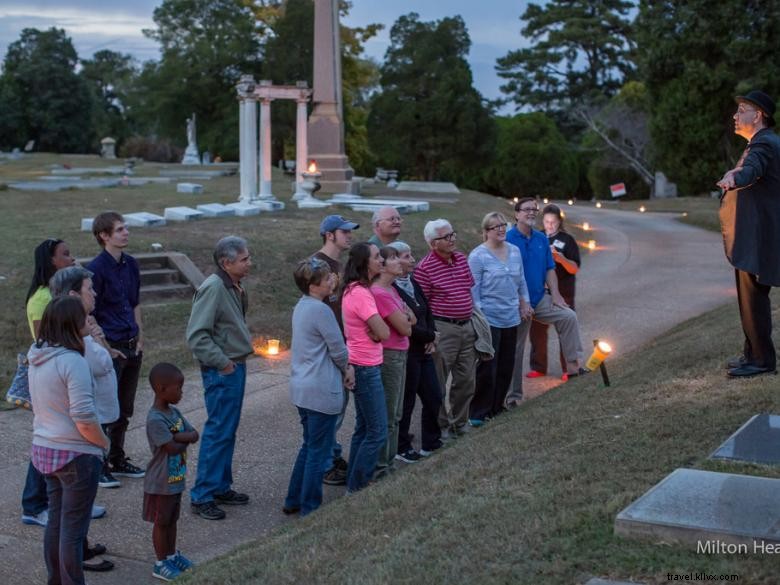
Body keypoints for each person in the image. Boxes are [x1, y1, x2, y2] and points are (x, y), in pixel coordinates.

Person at [28, 296, 110, 585]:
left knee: (57, 523)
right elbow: (84, 417)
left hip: (45, 449)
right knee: (73, 531)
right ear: (71, 323)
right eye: (83, 316)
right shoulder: (72, 361)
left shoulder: (37, 355)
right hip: (76, 454)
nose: (88, 319)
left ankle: (56, 580)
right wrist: (102, 443)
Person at [51, 266, 120, 572]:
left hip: (59, 438)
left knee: (64, 516)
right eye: (89, 289)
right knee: (72, 518)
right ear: (73, 296)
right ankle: (77, 558)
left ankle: (67, 564)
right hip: (77, 439)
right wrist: (101, 442)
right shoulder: (75, 345)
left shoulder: (61, 338)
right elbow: (101, 365)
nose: (95, 293)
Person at [187, 236, 254, 520]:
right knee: (217, 431)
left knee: (227, 430)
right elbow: (197, 336)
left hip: (235, 366)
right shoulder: (213, 288)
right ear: (226, 263)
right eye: (244, 259)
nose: (249, 263)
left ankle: (220, 486)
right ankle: (202, 495)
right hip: (223, 370)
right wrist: (223, 363)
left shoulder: (233, 285)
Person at [717, 90, 780, 378]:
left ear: (758, 116)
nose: (735, 115)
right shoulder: (760, 143)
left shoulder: (764, 144)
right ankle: (753, 353)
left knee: (753, 296)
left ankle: (762, 360)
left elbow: (752, 170)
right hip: (756, 235)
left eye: (742, 110)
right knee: (749, 295)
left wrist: (734, 176)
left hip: (759, 236)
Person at [285, 259, 354, 516]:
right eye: (327, 279)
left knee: (308, 446)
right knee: (318, 451)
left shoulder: (301, 306)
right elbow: (338, 349)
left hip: (302, 388)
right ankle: (309, 506)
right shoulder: (321, 310)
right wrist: (348, 369)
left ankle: (293, 499)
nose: (332, 281)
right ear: (314, 285)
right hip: (320, 388)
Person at [506, 198, 584, 407]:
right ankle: (512, 397)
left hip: (540, 299)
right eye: (526, 210)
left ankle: (574, 368)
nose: (531, 213)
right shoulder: (508, 239)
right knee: (516, 348)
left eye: (534, 209)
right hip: (516, 303)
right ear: (516, 214)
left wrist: (556, 295)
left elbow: (550, 268)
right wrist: (520, 302)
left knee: (568, 316)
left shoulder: (541, 239)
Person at [87, 211, 146, 485]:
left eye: (125, 228)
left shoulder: (131, 264)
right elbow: (90, 313)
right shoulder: (96, 269)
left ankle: (117, 458)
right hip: (110, 346)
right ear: (104, 235)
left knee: (125, 407)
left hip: (132, 344)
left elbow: (135, 303)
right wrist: (105, 347)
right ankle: (97, 464)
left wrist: (141, 337)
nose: (126, 233)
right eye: (120, 229)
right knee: (105, 407)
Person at [21, 239, 76, 528]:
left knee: (67, 441)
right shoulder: (42, 298)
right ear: (51, 261)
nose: (72, 257)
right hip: (50, 377)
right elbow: (47, 340)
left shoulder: (57, 293)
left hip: (62, 372)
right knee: (49, 439)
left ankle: (71, 499)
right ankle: (34, 504)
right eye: (65, 254)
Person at [413, 219, 477, 437]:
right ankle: (442, 427)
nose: (452, 240)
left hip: (466, 326)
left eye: (452, 234)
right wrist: (431, 335)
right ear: (433, 243)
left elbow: (467, 290)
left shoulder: (461, 259)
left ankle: (461, 422)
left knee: (466, 379)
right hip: (443, 329)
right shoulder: (424, 269)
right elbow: (421, 307)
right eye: (446, 237)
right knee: (438, 382)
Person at [468, 212, 531, 425]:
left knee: (506, 364)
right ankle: (478, 412)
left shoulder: (514, 251)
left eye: (503, 225)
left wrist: (525, 303)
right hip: (489, 319)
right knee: (487, 366)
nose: (501, 229)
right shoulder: (478, 256)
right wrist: (480, 319)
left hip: (511, 316)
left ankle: (497, 407)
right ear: (486, 232)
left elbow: (521, 281)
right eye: (496, 227)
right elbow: (474, 292)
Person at [311, 214, 359, 486]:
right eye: (345, 232)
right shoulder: (317, 265)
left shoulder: (338, 264)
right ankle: (325, 464)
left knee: (339, 406)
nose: (349, 236)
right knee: (332, 407)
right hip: (328, 347)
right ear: (330, 234)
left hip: (342, 342)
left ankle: (332, 453)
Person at [388, 241, 443, 461]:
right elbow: (406, 325)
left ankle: (431, 442)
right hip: (408, 351)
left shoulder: (413, 281)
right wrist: (431, 336)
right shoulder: (392, 289)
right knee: (407, 401)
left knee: (434, 396)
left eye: (411, 255)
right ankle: (402, 447)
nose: (412, 260)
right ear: (393, 260)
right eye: (406, 256)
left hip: (424, 350)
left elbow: (427, 310)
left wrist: (433, 334)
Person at [143, 363, 199, 581]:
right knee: (161, 522)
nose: (182, 393)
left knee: (172, 520)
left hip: (175, 479)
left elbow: (194, 433)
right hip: (160, 482)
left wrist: (177, 436)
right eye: (179, 388)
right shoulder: (155, 419)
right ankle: (161, 563)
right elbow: (173, 447)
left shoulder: (174, 413)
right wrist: (182, 438)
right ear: (161, 388)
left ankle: (171, 555)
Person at [342, 243, 390, 492]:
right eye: (376, 257)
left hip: (361, 364)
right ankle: (358, 487)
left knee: (363, 428)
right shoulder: (360, 293)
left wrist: (377, 330)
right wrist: (378, 330)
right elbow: (383, 331)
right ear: (364, 263)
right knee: (378, 431)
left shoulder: (356, 290)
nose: (381, 260)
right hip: (366, 367)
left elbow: (378, 330)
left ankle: (354, 481)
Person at [371, 247, 415, 476]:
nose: (400, 261)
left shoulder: (393, 290)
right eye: (394, 258)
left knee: (396, 414)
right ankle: (381, 467)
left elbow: (413, 317)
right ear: (383, 266)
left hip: (400, 354)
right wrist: (406, 317)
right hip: (390, 357)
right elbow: (405, 328)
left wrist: (407, 317)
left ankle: (388, 463)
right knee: (389, 415)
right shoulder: (379, 293)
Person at [527, 204, 581, 380]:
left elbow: (574, 269)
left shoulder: (568, 240)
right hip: (539, 292)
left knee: (565, 328)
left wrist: (560, 257)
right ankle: (539, 366)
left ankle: (569, 368)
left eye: (553, 222)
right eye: (547, 221)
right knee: (537, 331)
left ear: (560, 222)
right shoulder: (536, 237)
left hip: (563, 291)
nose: (550, 225)